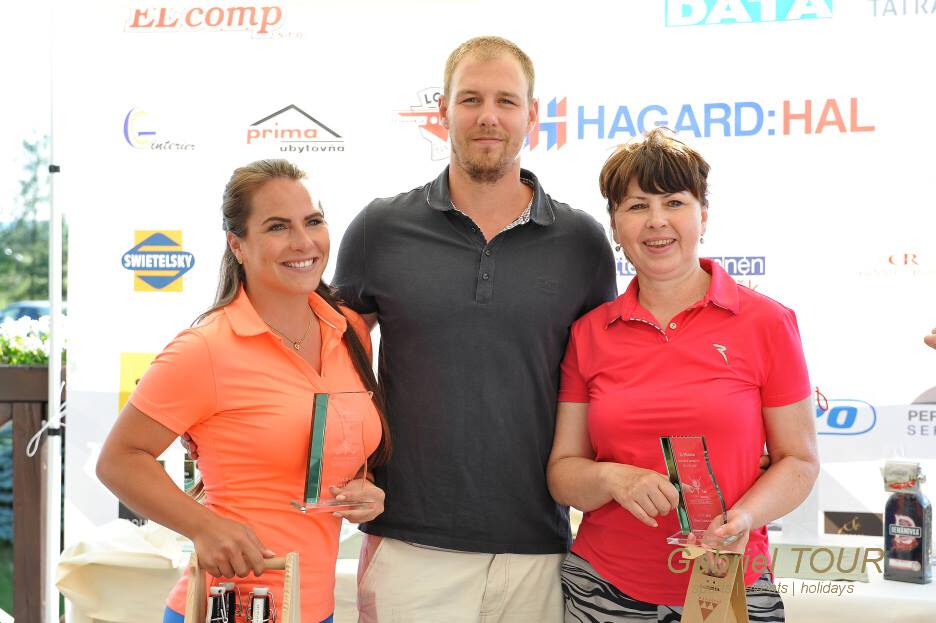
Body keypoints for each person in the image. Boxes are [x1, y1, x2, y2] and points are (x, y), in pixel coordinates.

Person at [332, 36, 617, 622]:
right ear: (442, 111)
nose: (489, 116)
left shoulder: (583, 243)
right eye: (471, 99)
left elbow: (611, 384)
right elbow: (330, 366)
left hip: (538, 545)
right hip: (408, 545)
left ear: (532, 115)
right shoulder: (379, 229)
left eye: (506, 101)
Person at [96, 159, 390, 623]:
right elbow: (118, 459)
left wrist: (366, 491)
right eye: (278, 227)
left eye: (313, 221)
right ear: (237, 244)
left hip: (315, 609)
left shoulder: (349, 330)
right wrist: (203, 526)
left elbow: (330, 447)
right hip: (232, 607)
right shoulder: (206, 348)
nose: (303, 242)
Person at [546, 129, 819, 622]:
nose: (656, 221)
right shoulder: (589, 334)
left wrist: (747, 516)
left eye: (674, 202)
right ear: (615, 226)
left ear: (703, 216)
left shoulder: (767, 323)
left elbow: (798, 461)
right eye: (636, 206)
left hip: (732, 582)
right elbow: (564, 474)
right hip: (605, 591)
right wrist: (611, 477)